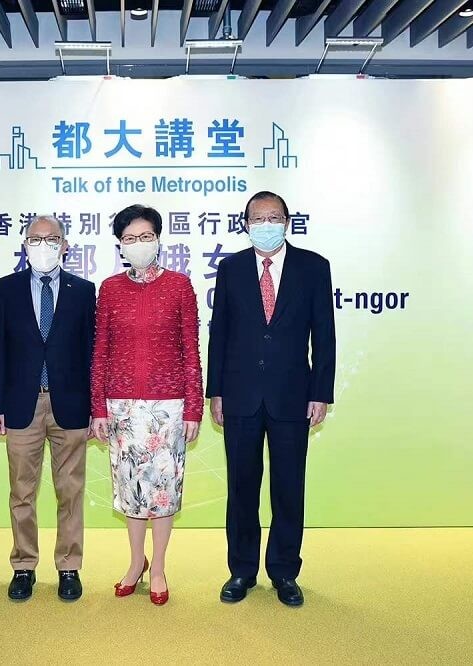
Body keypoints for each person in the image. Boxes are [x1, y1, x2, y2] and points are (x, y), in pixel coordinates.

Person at [208, 190, 336, 607]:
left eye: (274, 217)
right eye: (258, 218)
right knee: (241, 488)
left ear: (287, 221)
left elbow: (325, 336)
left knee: (288, 488)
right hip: (240, 396)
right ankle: (241, 571)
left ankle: (284, 571)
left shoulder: (313, 267)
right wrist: (216, 391)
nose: (266, 224)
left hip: (293, 397)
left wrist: (320, 393)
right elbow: (219, 332)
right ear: (246, 225)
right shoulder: (230, 269)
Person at [90, 204, 203, 606]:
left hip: (168, 407)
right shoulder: (110, 289)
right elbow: (100, 351)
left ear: (158, 239)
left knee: (163, 492)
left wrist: (193, 407)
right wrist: (98, 408)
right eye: (130, 238)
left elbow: (191, 350)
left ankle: (158, 568)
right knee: (131, 491)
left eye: (146, 236)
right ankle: (136, 562)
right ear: (120, 245)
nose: (138, 243)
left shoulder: (180, 286)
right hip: (121, 407)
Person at [0, 215, 96, 602]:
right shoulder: (5, 289)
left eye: (52, 239)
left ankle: (69, 566)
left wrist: (95, 407)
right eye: (35, 239)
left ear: (65, 245)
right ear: (25, 245)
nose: (44, 246)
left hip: (71, 405)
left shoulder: (83, 290)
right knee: (22, 491)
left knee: (70, 491)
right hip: (21, 404)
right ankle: (23, 566)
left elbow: (91, 353)